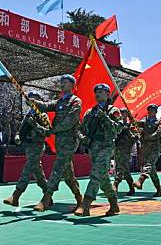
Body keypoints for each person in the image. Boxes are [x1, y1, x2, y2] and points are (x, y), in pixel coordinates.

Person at [29, 74, 83, 212]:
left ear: (72, 85)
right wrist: (34, 103)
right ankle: (79, 199)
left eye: (65, 82)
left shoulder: (75, 101)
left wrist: (53, 130)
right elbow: (46, 106)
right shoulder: (59, 101)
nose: (62, 84)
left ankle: (46, 198)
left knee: (58, 165)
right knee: (67, 174)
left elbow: (70, 121)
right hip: (60, 141)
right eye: (62, 82)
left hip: (70, 140)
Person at [74, 84, 122, 216]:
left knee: (95, 174)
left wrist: (105, 117)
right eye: (96, 92)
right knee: (104, 179)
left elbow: (117, 129)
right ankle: (114, 204)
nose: (98, 94)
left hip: (106, 146)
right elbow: (80, 129)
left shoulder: (113, 111)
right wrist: (83, 138)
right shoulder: (90, 112)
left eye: (101, 92)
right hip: (93, 148)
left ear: (108, 95)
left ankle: (86, 204)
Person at [3, 91, 49, 206]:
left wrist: (35, 125)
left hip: (38, 145)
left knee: (28, 168)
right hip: (29, 146)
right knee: (37, 173)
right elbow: (22, 129)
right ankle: (48, 195)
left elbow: (47, 132)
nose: (31, 101)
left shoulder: (42, 114)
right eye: (30, 99)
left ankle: (16, 195)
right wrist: (18, 136)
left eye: (34, 99)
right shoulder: (29, 114)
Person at [134, 104, 161, 197]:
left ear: (156, 112)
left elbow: (160, 131)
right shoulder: (144, 122)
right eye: (150, 110)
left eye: (153, 110)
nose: (151, 111)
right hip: (146, 148)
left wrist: (151, 136)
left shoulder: (159, 122)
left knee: (149, 164)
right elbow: (136, 123)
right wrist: (132, 118)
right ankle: (159, 190)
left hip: (155, 148)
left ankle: (140, 181)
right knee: (152, 171)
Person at [113, 108, 138, 196]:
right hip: (118, 148)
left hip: (126, 149)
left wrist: (132, 135)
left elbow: (136, 136)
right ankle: (131, 187)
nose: (123, 114)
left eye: (124, 113)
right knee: (125, 169)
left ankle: (115, 184)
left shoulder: (131, 125)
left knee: (121, 167)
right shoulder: (117, 124)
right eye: (121, 113)